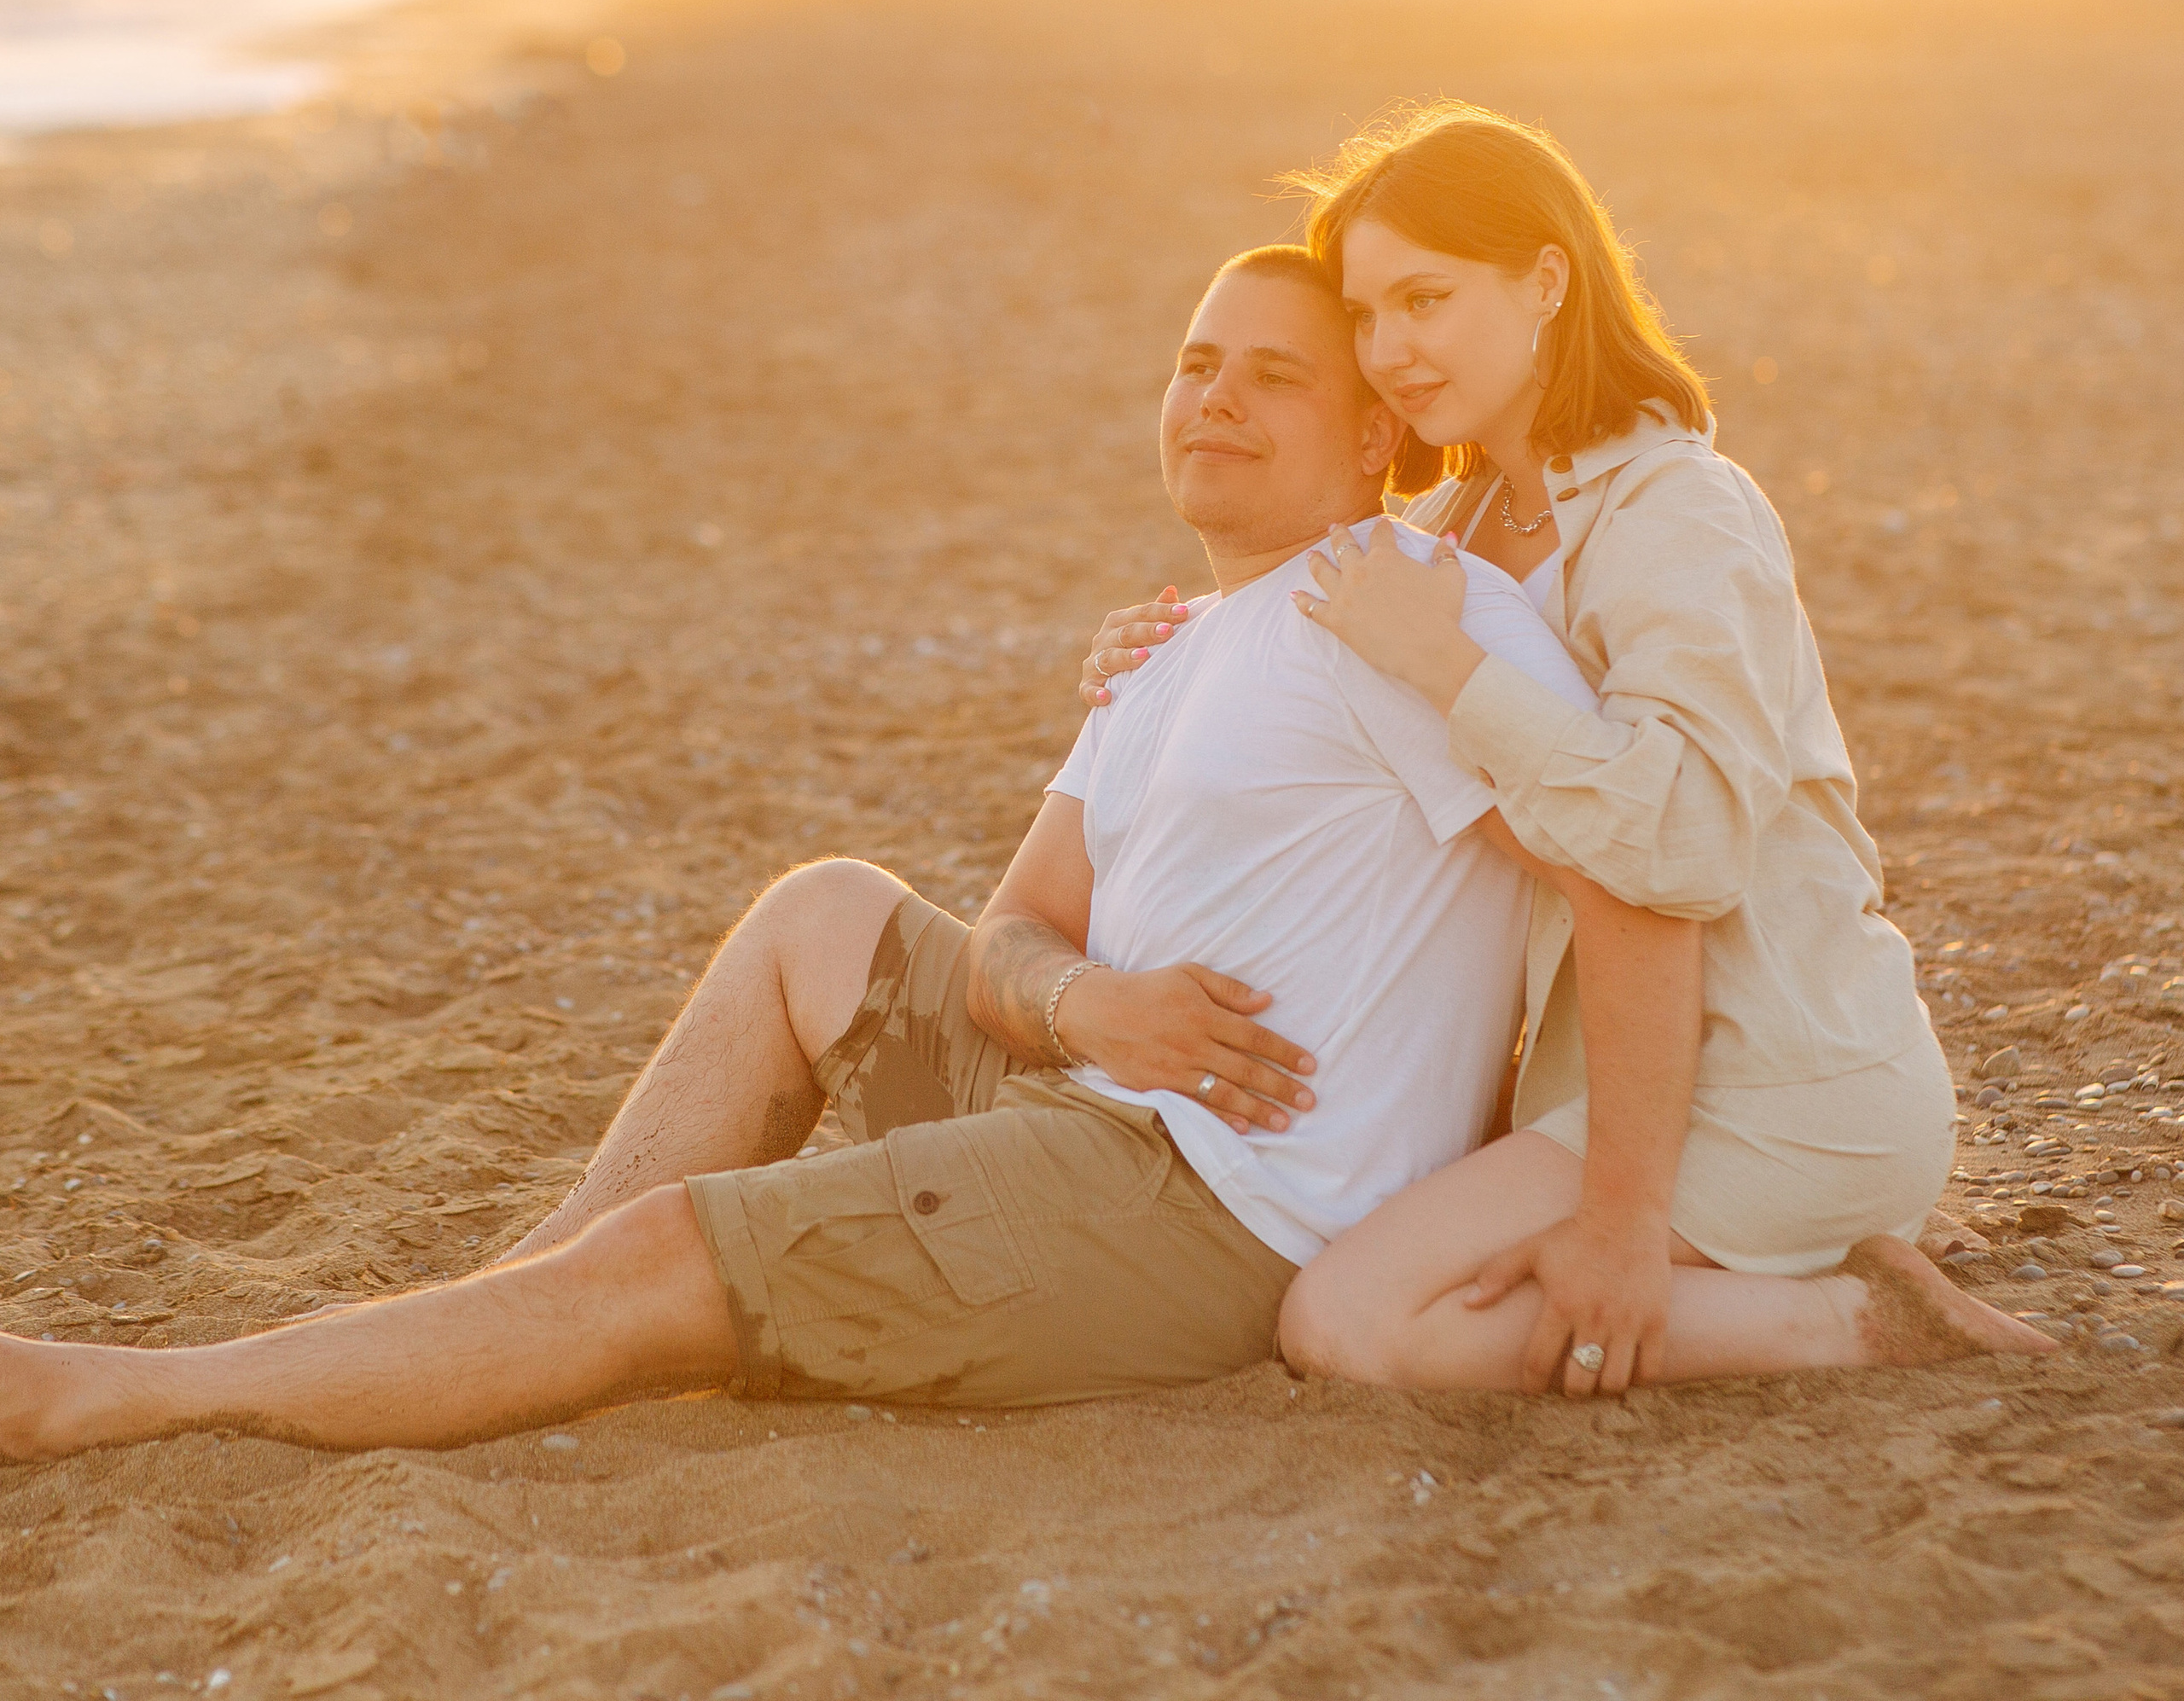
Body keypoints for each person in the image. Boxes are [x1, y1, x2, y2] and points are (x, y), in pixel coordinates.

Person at [1, 247, 1651, 1460]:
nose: (1213, 395)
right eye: (1193, 361)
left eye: (1272, 376)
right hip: (1090, 1097)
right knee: (825, 912)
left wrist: (1638, 1213)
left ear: (1377, 441)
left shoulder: (1410, 619)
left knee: (670, 1261)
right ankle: (522, 1300)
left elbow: (1620, 876)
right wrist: (1090, 1010)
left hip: (1218, 1209)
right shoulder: (1172, 649)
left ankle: (116, 1396)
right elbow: (1014, 928)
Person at [1083, 102, 2050, 1396]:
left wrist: (1621, 1221)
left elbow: (1684, 845)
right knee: (1338, 1297)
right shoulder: (1453, 518)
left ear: (1547, 280)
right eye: (1367, 316)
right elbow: (1286, 621)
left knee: (1356, 1328)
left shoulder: (1683, 515)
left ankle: (1851, 1322)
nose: (1391, 352)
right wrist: (1151, 655)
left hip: (1776, 1079)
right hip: (1594, 1085)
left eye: (1426, 299)